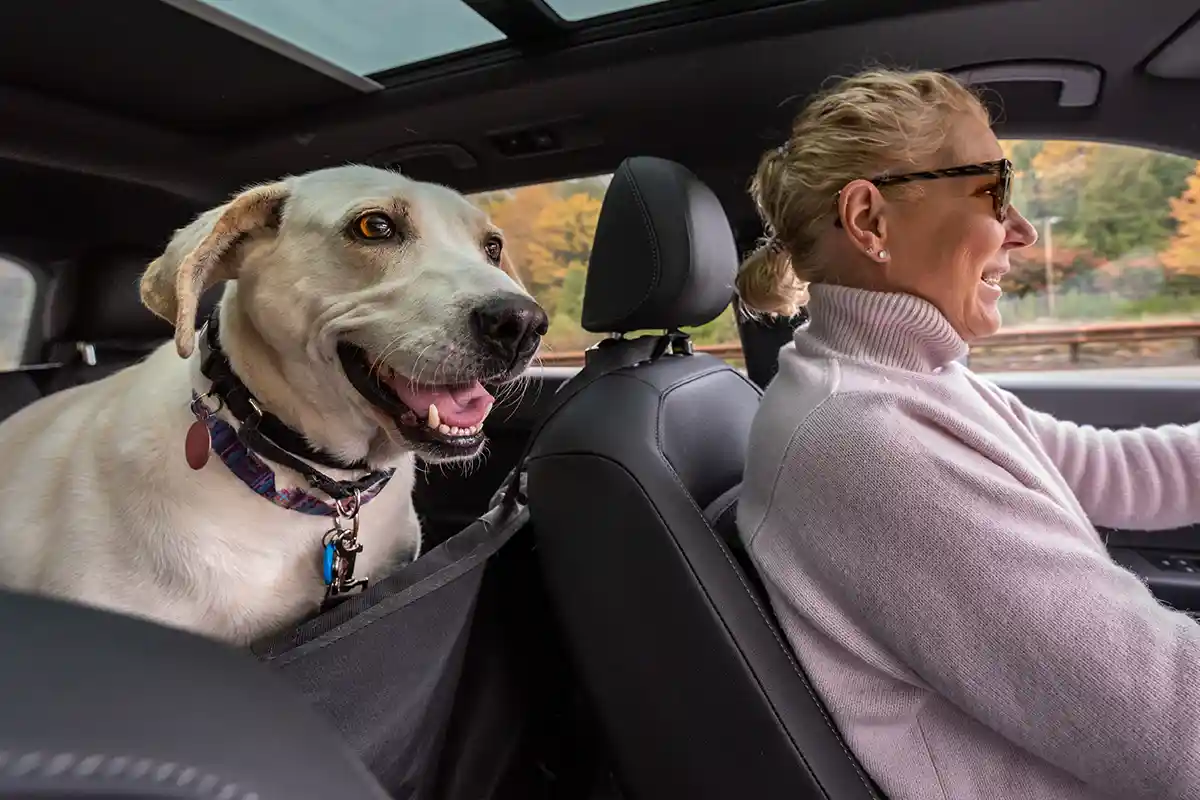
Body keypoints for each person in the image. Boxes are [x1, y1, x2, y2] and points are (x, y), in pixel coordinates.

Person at [734, 68, 1200, 800]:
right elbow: (1177, 727)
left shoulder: (908, 382)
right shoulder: (868, 442)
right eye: (995, 191)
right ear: (871, 222)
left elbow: (1117, 471)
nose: (1021, 230)